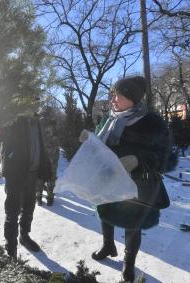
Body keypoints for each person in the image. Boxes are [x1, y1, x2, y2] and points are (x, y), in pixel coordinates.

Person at [80, 76, 170, 282]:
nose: (112, 100)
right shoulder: (108, 117)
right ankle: (108, 245)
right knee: (105, 211)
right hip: (107, 176)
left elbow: (164, 155)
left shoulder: (151, 122)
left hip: (136, 182)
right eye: (112, 95)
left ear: (132, 98)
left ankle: (128, 265)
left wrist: (138, 160)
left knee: (132, 223)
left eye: (117, 95)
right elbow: (101, 144)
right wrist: (90, 140)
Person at [0, 113, 52, 259]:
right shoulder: (14, 115)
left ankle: (24, 236)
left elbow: (40, 144)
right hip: (16, 173)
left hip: (33, 172)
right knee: (13, 211)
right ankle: (11, 248)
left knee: (29, 207)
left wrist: (46, 166)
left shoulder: (36, 120)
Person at [37, 107, 60, 206]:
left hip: (40, 153)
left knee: (39, 175)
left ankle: (38, 197)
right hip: (53, 152)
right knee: (52, 175)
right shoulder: (54, 123)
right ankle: (50, 198)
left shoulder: (38, 123)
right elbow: (59, 137)